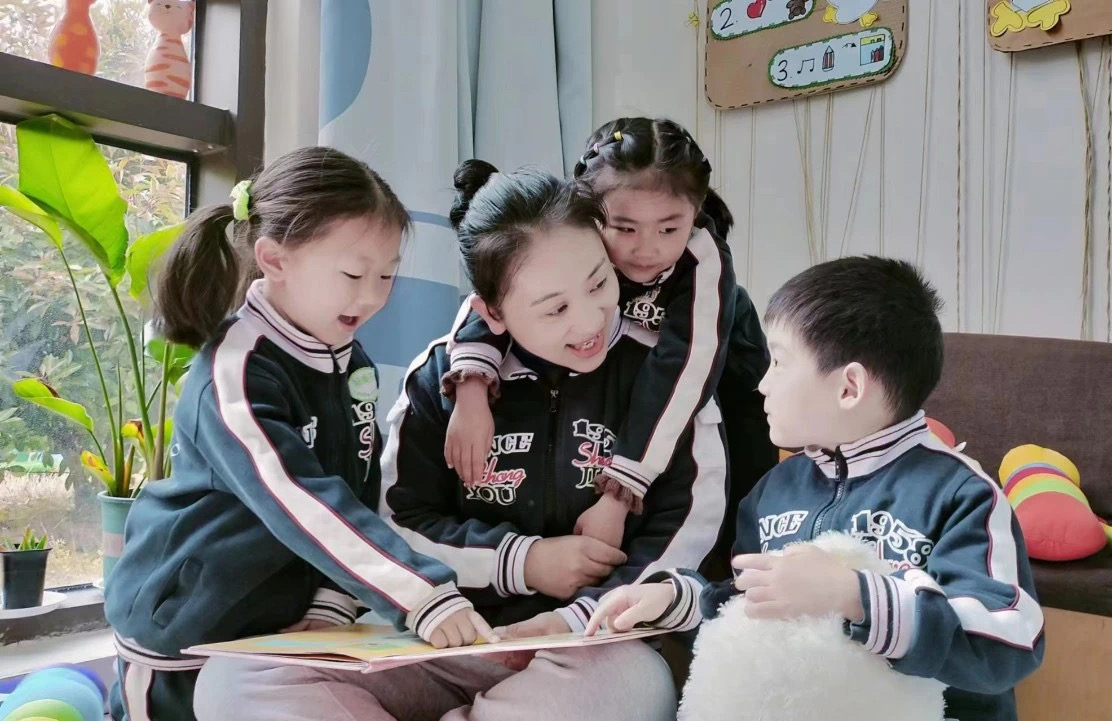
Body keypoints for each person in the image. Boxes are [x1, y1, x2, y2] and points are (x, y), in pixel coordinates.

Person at [195, 161, 727, 721]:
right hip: (444, 639)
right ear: (491, 312)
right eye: (555, 308)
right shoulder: (438, 379)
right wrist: (521, 562)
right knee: (234, 680)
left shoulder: (665, 383)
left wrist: (577, 617)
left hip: (583, 646)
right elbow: (396, 519)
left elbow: (684, 533)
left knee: (632, 682)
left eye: (599, 282)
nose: (590, 319)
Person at [104, 147, 490, 721]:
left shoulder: (347, 361)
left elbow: (357, 488)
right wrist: (420, 592)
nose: (372, 295)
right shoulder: (235, 372)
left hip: (272, 634)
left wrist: (332, 605)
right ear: (274, 260)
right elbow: (299, 496)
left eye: (387, 275)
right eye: (354, 274)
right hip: (187, 630)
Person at [588, 257, 1046, 721]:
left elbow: (1010, 642)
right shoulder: (775, 491)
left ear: (849, 388)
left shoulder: (961, 495)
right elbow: (750, 612)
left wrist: (852, 594)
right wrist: (676, 601)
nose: (762, 384)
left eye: (778, 362)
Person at [443, 119, 773, 567]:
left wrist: (621, 489)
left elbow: (682, 373)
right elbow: (497, 295)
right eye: (625, 229)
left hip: (721, 384)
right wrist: (471, 387)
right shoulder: (573, 228)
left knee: (736, 512)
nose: (646, 250)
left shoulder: (703, 264)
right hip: (641, 377)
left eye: (669, 229)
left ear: (695, 215)